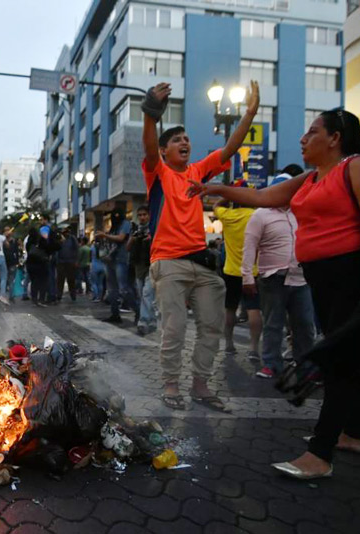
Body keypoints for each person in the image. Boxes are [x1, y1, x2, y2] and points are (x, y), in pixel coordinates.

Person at [187, 108, 360, 479]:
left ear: (334, 138)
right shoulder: (313, 178)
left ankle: (320, 453)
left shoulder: (358, 167)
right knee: (348, 354)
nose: (303, 139)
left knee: (339, 360)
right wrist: (215, 188)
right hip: (323, 279)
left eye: (312, 132)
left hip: (351, 275)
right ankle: (355, 434)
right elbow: (263, 197)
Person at [142, 81, 260, 412]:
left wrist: (250, 112)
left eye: (187, 139)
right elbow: (150, 148)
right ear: (166, 151)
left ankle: (200, 385)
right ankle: (170, 385)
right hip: (169, 262)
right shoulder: (159, 172)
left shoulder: (198, 170)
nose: (185, 142)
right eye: (177, 139)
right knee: (174, 328)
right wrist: (151, 114)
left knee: (212, 326)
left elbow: (229, 150)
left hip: (201, 264)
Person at [241, 170, 315, 379]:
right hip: (273, 279)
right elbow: (249, 247)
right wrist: (247, 277)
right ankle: (271, 364)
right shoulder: (260, 215)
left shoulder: (300, 213)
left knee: (304, 325)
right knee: (273, 323)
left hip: (301, 278)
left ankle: (306, 366)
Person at [214, 197, 262, 361]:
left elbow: (215, 206)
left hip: (231, 271)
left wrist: (228, 195)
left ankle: (229, 344)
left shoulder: (228, 214)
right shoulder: (257, 215)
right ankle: (254, 348)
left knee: (230, 308)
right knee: (254, 309)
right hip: (254, 271)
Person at [95, 207, 134, 323]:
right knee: (112, 290)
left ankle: (138, 311)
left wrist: (104, 235)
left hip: (121, 260)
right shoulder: (114, 227)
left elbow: (121, 238)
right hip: (111, 260)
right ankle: (115, 314)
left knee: (123, 289)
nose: (114, 218)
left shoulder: (126, 224)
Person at [127, 205, 157, 336]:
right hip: (138, 266)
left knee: (147, 293)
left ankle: (143, 322)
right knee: (143, 295)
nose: (142, 217)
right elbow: (128, 248)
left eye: (144, 214)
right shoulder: (135, 230)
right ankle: (152, 321)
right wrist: (133, 239)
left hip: (151, 265)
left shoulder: (154, 229)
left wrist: (152, 239)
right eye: (140, 215)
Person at [25, 227, 55, 307]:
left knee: (34, 282)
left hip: (30, 263)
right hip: (41, 263)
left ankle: (34, 299)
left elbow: (29, 252)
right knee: (43, 282)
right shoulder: (41, 240)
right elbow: (48, 249)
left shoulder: (28, 242)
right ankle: (41, 299)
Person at [56, 226, 79, 302]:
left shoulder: (72, 239)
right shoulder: (60, 239)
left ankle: (73, 295)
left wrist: (76, 261)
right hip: (61, 262)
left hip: (70, 262)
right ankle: (59, 295)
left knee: (71, 280)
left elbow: (76, 249)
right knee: (60, 280)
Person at [3, 227, 20, 303]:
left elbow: (17, 252)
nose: (8, 232)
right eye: (6, 230)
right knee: (7, 280)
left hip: (11, 263)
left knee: (9, 280)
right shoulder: (2, 241)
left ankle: (10, 296)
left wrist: (17, 262)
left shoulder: (14, 241)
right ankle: (7, 296)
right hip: (5, 262)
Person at [89, 238, 106, 302]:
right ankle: (100, 297)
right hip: (102, 267)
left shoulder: (92, 247)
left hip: (94, 266)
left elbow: (90, 257)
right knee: (100, 283)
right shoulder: (103, 247)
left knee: (94, 283)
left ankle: (95, 297)